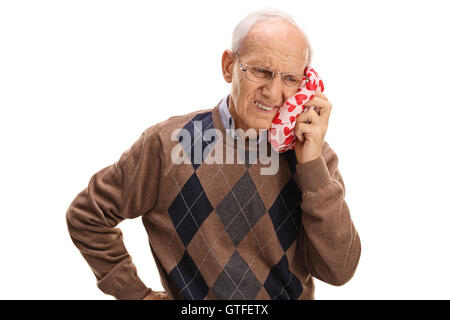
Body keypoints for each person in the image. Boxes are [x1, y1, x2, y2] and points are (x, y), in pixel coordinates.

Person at [66, 8, 361, 300]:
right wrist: (135, 295)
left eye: (290, 78)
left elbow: (339, 270)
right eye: (260, 71)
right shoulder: (167, 144)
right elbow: (87, 216)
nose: (273, 92)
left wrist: (311, 165)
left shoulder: (313, 157)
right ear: (228, 66)